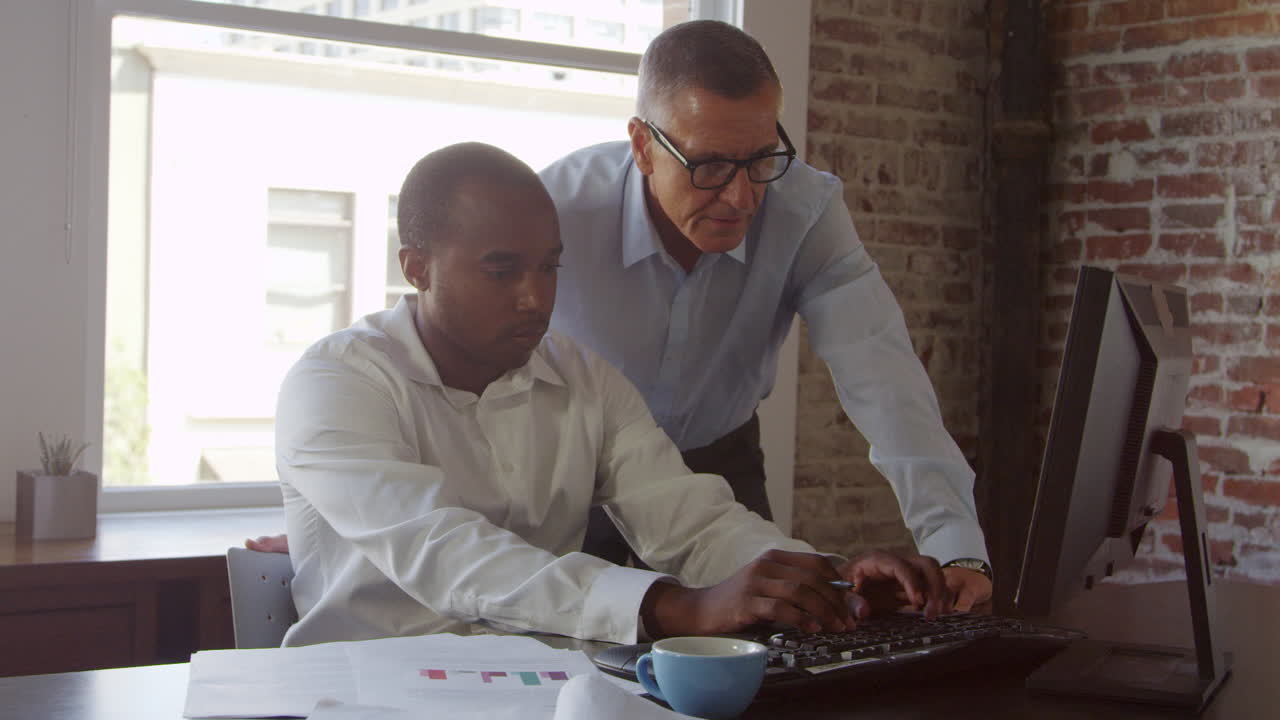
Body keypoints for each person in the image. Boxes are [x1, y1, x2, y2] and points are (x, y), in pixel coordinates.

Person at [273, 142, 949, 647]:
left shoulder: (584, 379)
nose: (536, 298)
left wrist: (829, 584)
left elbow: (693, 520)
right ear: (417, 269)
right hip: (359, 695)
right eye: (503, 270)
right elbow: (447, 553)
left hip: (546, 695)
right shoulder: (334, 384)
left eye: (549, 267)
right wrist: (671, 607)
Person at [537, 20, 994, 610]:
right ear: (644, 146)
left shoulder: (805, 212)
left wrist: (956, 543)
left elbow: (883, 377)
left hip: (718, 470)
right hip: (574, 475)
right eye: (710, 167)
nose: (741, 196)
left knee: (777, 650)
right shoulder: (556, 212)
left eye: (760, 159)